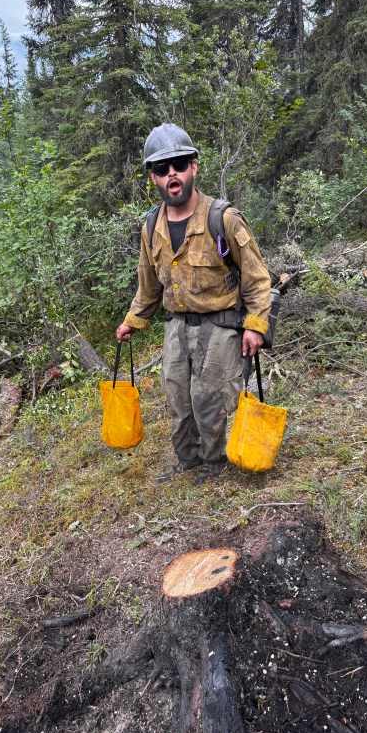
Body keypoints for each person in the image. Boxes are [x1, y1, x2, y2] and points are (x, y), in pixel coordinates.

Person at [116, 123, 271, 484]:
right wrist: (132, 321)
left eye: (180, 163)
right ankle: (188, 460)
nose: (172, 172)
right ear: (152, 177)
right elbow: (148, 285)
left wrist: (255, 326)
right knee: (178, 399)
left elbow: (258, 278)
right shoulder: (150, 225)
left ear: (193, 168)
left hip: (220, 323)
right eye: (161, 167)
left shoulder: (224, 219)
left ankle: (214, 463)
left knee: (208, 399)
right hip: (175, 325)